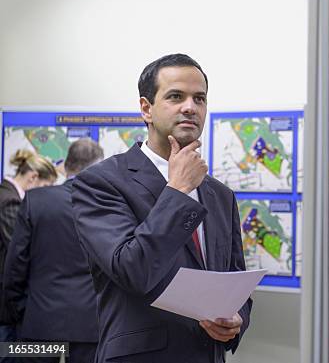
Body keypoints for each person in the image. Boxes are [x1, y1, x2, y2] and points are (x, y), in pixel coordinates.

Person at [71, 54, 252, 363]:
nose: (190, 107)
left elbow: (235, 279)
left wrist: (237, 319)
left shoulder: (220, 194)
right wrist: (178, 190)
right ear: (146, 109)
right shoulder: (101, 183)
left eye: (199, 98)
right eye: (175, 96)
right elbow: (132, 269)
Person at [3, 138, 103, 363]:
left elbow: (15, 266)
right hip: (91, 331)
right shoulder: (107, 206)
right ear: (99, 169)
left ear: (66, 167)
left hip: (39, 327)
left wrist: (22, 313)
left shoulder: (35, 200)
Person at [0, 150, 57, 360]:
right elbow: (20, 249)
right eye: (45, 187)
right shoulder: (9, 201)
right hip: (6, 309)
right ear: (33, 177)